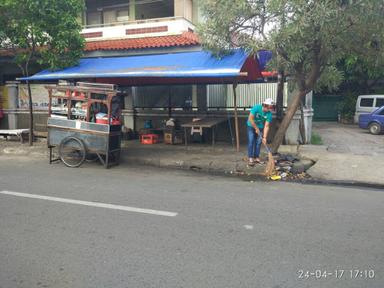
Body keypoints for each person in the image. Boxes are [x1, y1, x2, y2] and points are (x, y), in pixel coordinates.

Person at [246, 98, 275, 166]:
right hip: (250, 125)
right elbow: (250, 118)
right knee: (251, 140)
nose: (270, 109)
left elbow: (266, 126)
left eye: (271, 107)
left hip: (260, 127)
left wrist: (264, 137)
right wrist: (256, 128)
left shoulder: (269, 114)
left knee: (259, 142)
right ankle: (250, 157)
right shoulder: (256, 107)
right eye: (269, 107)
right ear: (265, 105)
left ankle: (256, 157)